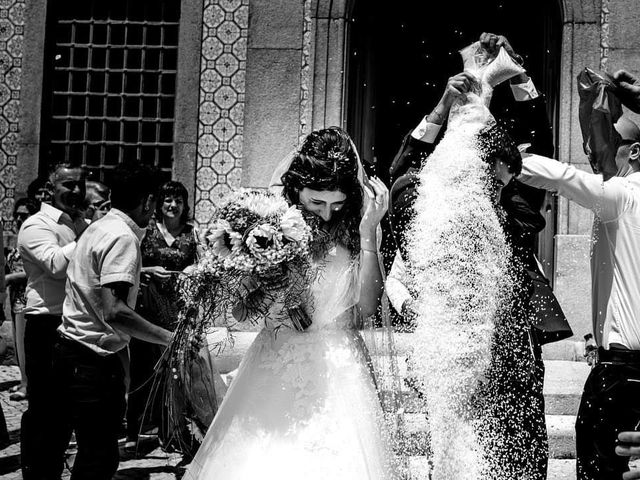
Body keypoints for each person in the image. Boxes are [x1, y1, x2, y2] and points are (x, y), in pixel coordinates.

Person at [184, 126, 398, 480]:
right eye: (316, 202)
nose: (328, 213)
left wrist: (367, 232)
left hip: (338, 364)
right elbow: (241, 310)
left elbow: (366, 308)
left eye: (337, 203)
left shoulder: (358, 226)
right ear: (297, 190)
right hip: (275, 358)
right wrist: (278, 300)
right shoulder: (269, 228)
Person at [518, 114, 640, 480]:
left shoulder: (626, 195)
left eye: (608, 139)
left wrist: (507, 158)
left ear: (634, 152)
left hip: (623, 373)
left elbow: (564, 178)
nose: (596, 146)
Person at [49, 162, 173, 479]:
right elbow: (115, 311)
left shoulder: (98, 227)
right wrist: (168, 337)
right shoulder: (123, 238)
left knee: (85, 455)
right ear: (148, 201)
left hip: (69, 352)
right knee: (98, 460)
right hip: (91, 365)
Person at [17, 163, 87, 479]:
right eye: (68, 185)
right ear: (51, 187)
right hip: (46, 325)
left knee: (65, 411)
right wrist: (89, 237)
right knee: (44, 409)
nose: (75, 192)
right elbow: (56, 264)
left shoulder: (81, 224)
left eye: (80, 185)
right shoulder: (36, 225)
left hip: (74, 325)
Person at [126, 180, 198, 451]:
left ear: (185, 204)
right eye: (168, 200)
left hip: (177, 310)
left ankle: (171, 431)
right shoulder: (146, 232)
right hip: (146, 308)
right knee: (141, 369)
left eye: (178, 200)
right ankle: (134, 429)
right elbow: (131, 267)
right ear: (159, 204)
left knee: (174, 372)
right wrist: (149, 270)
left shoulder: (193, 234)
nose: (173, 205)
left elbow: (199, 267)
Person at [5, 197, 39, 401]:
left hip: (28, 298)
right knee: (19, 343)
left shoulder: (35, 239)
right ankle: (23, 380)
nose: (19, 219)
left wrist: (10, 277)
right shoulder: (20, 239)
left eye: (24, 216)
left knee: (26, 345)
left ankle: (28, 385)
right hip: (16, 298)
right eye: (17, 215)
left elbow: (34, 270)